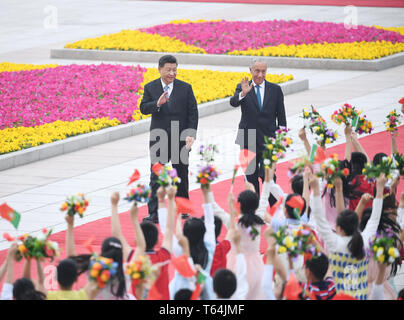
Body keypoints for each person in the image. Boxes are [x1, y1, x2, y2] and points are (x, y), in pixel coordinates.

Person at [140, 54, 199, 223]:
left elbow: (193, 112)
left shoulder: (185, 88)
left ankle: (183, 207)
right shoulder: (150, 88)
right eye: (168, 70)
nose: (172, 73)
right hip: (159, 139)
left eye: (174, 70)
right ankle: (154, 212)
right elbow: (143, 108)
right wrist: (157, 104)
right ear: (159, 69)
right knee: (156, 175)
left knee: (181, 173)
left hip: (181, 138)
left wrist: (190, 134)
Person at [309, 171, 386, 300]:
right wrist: (379, 190)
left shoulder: (334, 243)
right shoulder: (364, 240)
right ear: (357, 225)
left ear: (338, 228)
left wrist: (316, 189)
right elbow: (374, 219)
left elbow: (319, 218)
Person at [230, 58, 286, 206]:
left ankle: (275, 209)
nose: (260, 75)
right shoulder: (242, 86)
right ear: (251, 70)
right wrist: (243, 93)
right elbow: (233, 102)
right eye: (257, 71)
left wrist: (281, 140)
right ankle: (253, 211)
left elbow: (281, 117)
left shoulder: (275, 90)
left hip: (269, 141)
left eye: (263, 71)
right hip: (247, 139)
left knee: (269, 176)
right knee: (250, 176)